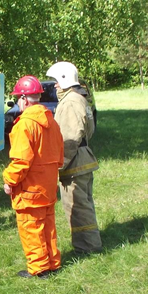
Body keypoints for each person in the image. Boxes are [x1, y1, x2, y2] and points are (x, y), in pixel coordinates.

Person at [2, 75, 64, 279]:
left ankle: (39, 268)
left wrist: (9, 179)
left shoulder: (24, 125)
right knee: (48, 226)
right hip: (47, 185)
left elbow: (21, 161)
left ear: (24, 99)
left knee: (31, 227)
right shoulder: (51, 121)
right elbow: (59, 155)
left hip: (30, 188)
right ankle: (53, 263)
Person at [47, 61, 102, 254]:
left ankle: (87, 247)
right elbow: (90, 130)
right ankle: (90, 243)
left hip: (75, 163)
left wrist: (58, 166)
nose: (54, 85)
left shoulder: (70, 102)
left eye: (56, 81)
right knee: (84, 204)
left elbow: (69, 139)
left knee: (77, 207)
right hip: (84, 158)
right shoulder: (80, 98)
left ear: (64, 79)